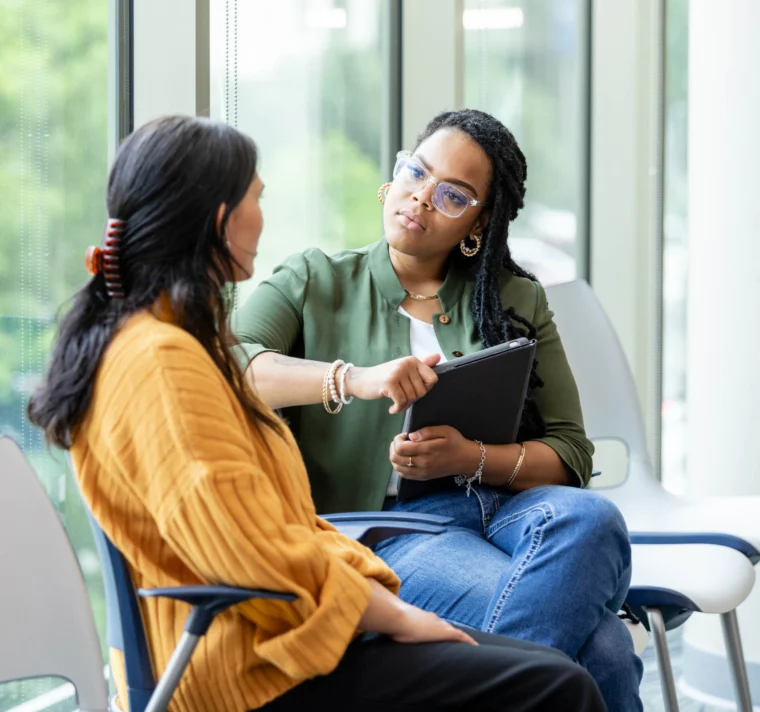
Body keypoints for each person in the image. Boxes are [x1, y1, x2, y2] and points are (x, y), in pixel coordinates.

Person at [27, 115, 606, 712]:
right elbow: (247, 551)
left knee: (581, 591)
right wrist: (393, 613)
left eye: (453, 194)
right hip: (257, 660)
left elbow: (265, 531)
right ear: (221, 219)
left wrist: (384, 596)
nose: (263, 214)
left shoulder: (165, 347)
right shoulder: (164, 359)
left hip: (287, 627)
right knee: (571, 674)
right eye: (257, 197)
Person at [233, 109, 643, 711]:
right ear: (394, 174)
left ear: (478, 222)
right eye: (416, 172)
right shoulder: (312, 280)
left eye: (452, 195)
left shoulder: (514, 297)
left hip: (509, 511)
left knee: (594, 520)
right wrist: (357, 380)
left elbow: (570, 452)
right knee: (604, 644)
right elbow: (232, 367)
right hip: (390, 530)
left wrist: (470, 457)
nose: (422, 197)